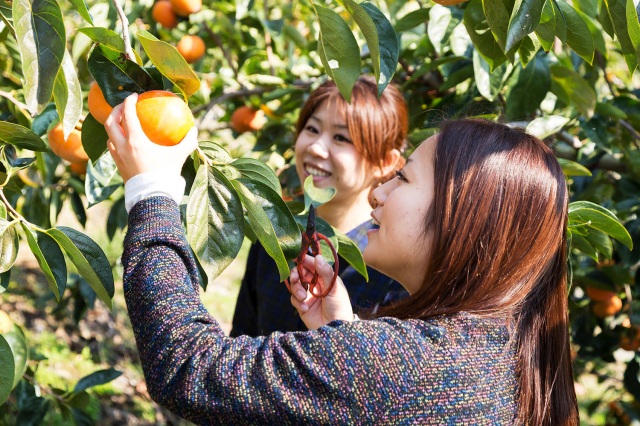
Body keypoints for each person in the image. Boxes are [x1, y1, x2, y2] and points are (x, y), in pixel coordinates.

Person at [105, 93, 579, 424]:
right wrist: (344, 336)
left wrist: (152, 194)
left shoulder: (402, 362)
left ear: (462, 219)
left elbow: (190, 368)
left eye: (405, 180)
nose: (381, 193)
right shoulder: (502, 350)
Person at [231, 77, 409, 337]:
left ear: (384, 161)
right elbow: (242, 336)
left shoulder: (394, 275)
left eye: (340, 137)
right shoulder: (277, 234)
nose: (315, 147)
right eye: (312, 129)